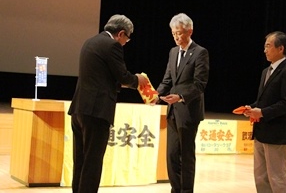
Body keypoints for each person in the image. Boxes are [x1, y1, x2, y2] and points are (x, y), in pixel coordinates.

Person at [68, 14, 147, 193]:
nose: (126, 42)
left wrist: (123, 83)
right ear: (121, 33)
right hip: (96, 112)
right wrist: (138, 80)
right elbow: (123, 75)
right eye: (127, 38)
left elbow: (102, 77)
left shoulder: (90, 41)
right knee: (92, 163)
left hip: (79, 109)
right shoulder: (112, 46)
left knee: (80, 161)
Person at [154, 13, 209, 193]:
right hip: (172, 111)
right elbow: (168, 79)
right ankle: (175, 189)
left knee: (186, 155)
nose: (177, 37)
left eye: (179, 33)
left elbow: (199, 84)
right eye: (173, 34)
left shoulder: (200, 52)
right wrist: (156, 94)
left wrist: (180, 96)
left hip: (188, 111)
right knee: (171, 155)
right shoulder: (173, 52)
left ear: (189, 31)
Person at [244, 31, 286, 193]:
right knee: (260, 176)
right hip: (261, 131)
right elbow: (263, 101)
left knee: (277, 177)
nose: (265, 50)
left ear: (280, 48)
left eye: (268, 46)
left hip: (276, 134)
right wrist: (251, 108)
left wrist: (261, 113)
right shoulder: (266, 71)